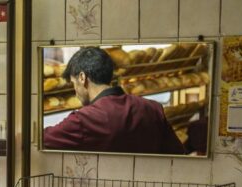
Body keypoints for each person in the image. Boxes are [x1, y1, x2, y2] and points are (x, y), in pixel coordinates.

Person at [43, 47, 185, 154]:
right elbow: (177, 153)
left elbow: (42, 139)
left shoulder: (84, 120)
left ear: (82, 78)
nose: (75, 91)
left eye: (74, 84)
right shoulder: (153, 108)